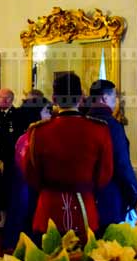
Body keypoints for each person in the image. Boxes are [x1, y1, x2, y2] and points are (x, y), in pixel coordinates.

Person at [23, 72, 113, 243]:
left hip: (48, 211)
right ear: (81, 98)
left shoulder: (38, 131)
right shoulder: (99, 130)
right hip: (85, 210)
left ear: (54, 98)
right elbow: (104, 176)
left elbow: (31, 174)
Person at [87, 79, 137, 232]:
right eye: (113, 97)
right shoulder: (112, 126)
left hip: (85, 199)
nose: (115, 101)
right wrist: (134, 192)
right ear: (104, 98)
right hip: (110, 197)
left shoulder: (83, 123)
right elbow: (122, 164)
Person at [2, 95, 53, 251]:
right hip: (30, 195)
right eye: (47, 112)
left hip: (25, 193)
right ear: (36, 114)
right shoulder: (31, 139)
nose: (50, 116)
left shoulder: (26, 137)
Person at [0, 88, 24, 227]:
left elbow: (17, 139)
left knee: (10, 189)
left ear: (8, 99)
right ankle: (3, 218)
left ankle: (13, 218)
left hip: (11, 159)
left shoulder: (18, 115)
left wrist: (5, 158)